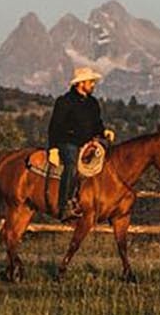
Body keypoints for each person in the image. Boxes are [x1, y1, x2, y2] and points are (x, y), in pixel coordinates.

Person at [47, 66, 115, 219]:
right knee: (71, 165)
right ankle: (64, 205)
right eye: (91, 82)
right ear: (81, 83)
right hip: (68, 142)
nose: (93, 85)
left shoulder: (93, 103)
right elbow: (55, 126)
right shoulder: (65, 102)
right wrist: (53, 148)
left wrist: (103, 131)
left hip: (88, 143)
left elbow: (97, 123)